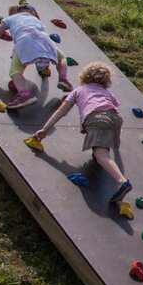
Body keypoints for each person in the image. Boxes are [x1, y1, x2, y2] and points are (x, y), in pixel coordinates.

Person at [28, 62, 132, 205]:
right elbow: (114, 111)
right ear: (106, 80)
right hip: (115, 118)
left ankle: (121, 181)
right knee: (103, 144)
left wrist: (45, 129)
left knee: (100, 153)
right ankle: (107, 160)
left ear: (84, 76)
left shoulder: (78, 90)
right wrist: (116, 139)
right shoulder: (107, 92)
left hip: (97, 118)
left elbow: (61, 110)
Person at [0, 4, 72, 109]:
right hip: (45, 40)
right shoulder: (37, 20)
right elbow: (40, 47)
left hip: (25, 42)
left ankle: (24, 94)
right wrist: (43, 67)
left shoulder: (10, 19)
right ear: (32, 12)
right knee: (62, 58)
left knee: (15, 71)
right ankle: (63, 78)